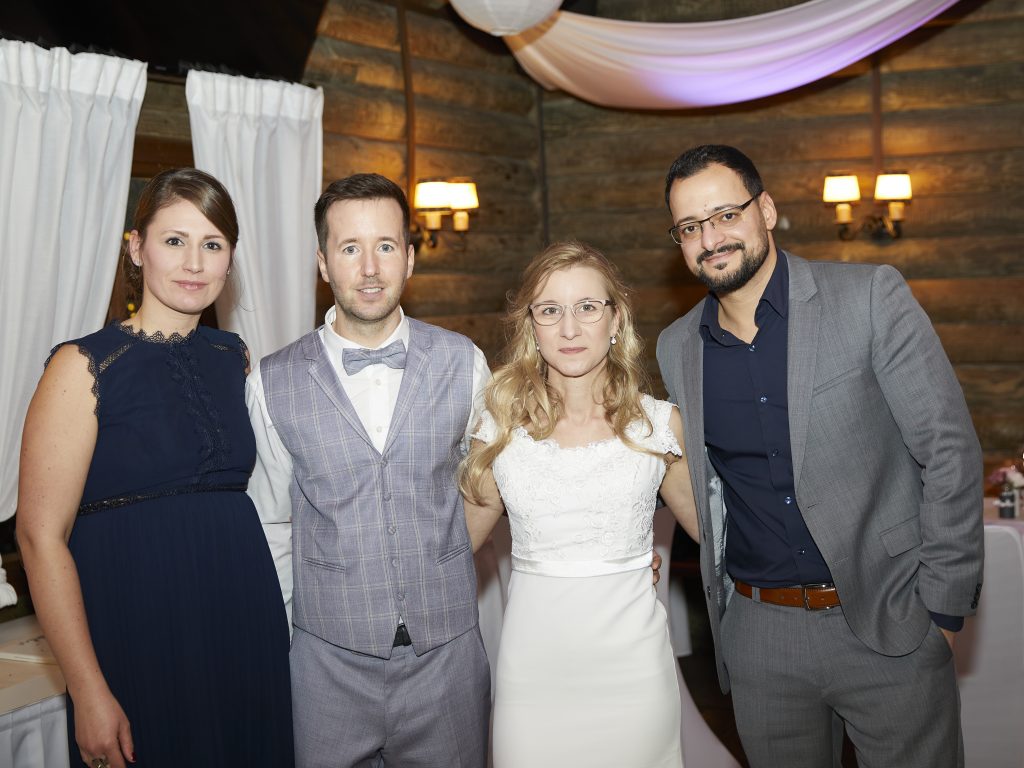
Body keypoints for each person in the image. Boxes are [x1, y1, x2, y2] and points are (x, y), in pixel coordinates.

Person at [656, 144, 984, 768]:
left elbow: (949, 450)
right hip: (761, 636)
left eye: (726, 214)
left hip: (889, 618)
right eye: (690, 226)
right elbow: (700, 486)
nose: (711, 238)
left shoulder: (868, 297)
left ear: (765, 210)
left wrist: (941, 609)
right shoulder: (677, 348)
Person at [17, 168, 293, 768]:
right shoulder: (83, 365)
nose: (194, 262)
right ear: (137, 248)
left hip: (244, 623)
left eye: (212, 244)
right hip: (135, 631)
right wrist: (87, 689)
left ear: (230, 260)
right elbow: (39, 538)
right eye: (174, 240)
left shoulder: (234, 357)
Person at [246, 173, 493, 767]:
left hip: (447, 658)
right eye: (349, 248)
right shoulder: (271, 382)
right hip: (326, 663)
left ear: (409, 257)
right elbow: (272, 526)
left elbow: (492, 489)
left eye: (385, 246)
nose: (370, 268)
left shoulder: (464, 362)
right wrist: (286, 644)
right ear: (322, 263)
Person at [460, 240, 698, 768]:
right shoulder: (498, 430)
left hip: (634, 673)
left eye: (587, 307)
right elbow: (449, 550)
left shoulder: (659, 426)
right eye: (550, 311)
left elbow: (719, 537)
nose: (569, 329)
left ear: (616, 319)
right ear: (532, 326)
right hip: (533, 676)